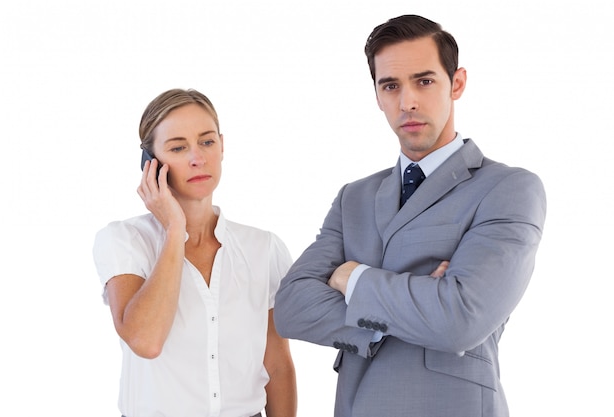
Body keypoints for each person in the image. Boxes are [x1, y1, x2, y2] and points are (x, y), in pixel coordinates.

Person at [273, 14, 546, 417]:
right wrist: (423, 301)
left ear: (457, 83)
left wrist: (353, 278)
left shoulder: (508, 189)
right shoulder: (355, 197)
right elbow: (292, 308)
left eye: (424, 81)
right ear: (377, 94)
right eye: (391, 86)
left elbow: (460, 320)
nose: (408, 102)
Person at [93, 88, 297, 417]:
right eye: (178, 147)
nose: (197, 158)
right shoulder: (124, 240)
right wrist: (176, 229)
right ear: (150, 163)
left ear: (222, 145)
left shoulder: (264, 248)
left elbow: (277, 366)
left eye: (206, 141)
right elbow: (146, 341)